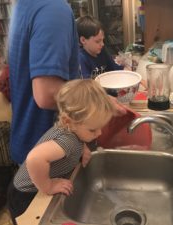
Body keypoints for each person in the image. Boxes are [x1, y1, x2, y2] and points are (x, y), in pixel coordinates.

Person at [8, 0, 126, 164]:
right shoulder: (52, 8)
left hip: (32, 143)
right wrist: (100, 101)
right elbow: (47, 94)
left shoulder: (24, 5)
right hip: (50, 152)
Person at [7, 79, 115, 223]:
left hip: (30, 188)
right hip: (26, 194)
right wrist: (48, 185)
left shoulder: (71, 128)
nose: (99, 133)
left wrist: (83, 147)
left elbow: (77, 135)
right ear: (68, 121)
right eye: (92, 130)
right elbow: (35, 158)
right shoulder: (67, 142)